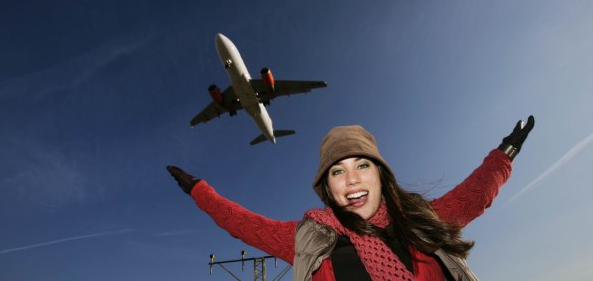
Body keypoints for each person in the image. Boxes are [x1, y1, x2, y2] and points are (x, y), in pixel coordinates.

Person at [167, 116, 535, 281]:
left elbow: (475, 196)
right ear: (328, 187)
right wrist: (198, 188)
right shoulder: (308, 239)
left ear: (381, 176)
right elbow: (242, 223)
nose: (352, 179)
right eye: (338, 171)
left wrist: (506, 152)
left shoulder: (420, 219)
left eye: (363, 165)